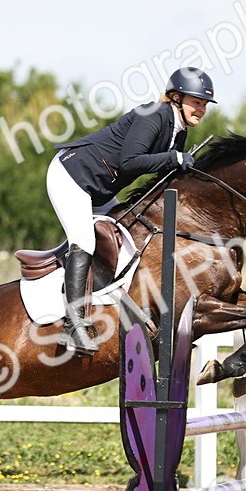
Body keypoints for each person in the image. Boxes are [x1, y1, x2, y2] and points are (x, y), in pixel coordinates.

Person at [46, 66, 216, 356]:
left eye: (204, 104)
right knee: (84, 241)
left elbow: (161, 173)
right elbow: (130, 162)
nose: (201, 109)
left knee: (129, 241)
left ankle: (137, 313)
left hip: (100, 190)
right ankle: (73, 325)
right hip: (72, 176)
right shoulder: (153, 115)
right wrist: (174, 158)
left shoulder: (178, 130)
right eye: (196, 101)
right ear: (175, 97)